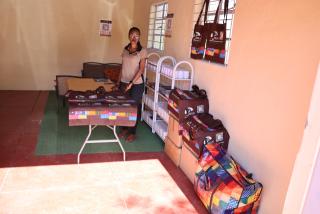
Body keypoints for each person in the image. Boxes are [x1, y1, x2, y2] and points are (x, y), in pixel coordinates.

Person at [115, 27, 147, 142]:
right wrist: (118, 82)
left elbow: (141, 69)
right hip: (124, 82)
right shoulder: (125, 49)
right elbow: (122, 67)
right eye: (132, 35)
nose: (134, 37)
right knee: (124, 106)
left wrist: (131, 83)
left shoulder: (142, 51)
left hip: (137, 84)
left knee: (134, 108)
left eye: (137, 35)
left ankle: (132, 131)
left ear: (139, 37)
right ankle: (124, 128)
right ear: (129, 36)